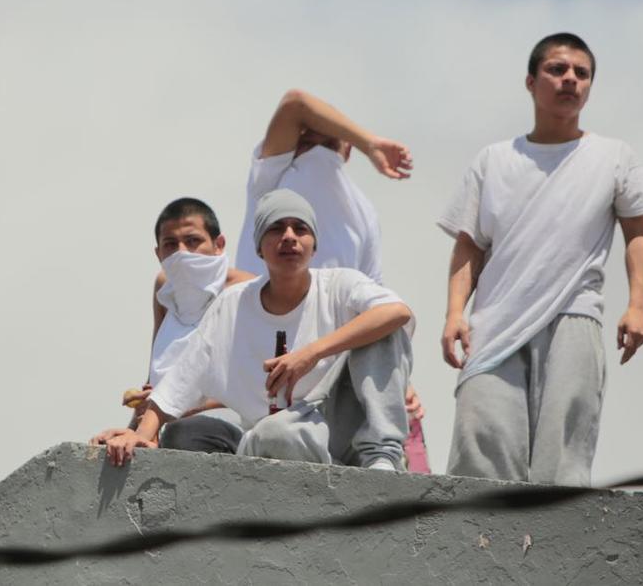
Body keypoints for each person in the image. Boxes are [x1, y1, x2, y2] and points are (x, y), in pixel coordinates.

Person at [438, 33, 643, 486]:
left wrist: (638, 306)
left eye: (582, 73)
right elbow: (469, 245)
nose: (570, 81)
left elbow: (638, 232)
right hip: (496, 323)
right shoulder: (494, 159)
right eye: (558, 70)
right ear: (530, 81)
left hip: (573, 315)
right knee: (482, 442)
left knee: (562, 461)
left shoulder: (613, 156)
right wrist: (454, 313)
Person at [103, 189, 413, 471]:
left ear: (313, 245)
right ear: (260, 248)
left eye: (300, 228)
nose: (289, 237)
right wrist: (140, 434)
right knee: (274, 432)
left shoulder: (341, 285)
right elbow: (182, 378)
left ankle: (382, 457)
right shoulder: (234, 305)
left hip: (344, 424)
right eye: (276, 228)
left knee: (383, 327)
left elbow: (397, 312)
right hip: (286, 439)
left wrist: (310, 353)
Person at [235, 89, 429, 472]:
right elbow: (295, 104)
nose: (313, 141)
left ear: (346, 152)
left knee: (385, 321)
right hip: (271, 355)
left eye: (327, 136)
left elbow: (382, 306)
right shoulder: (274, 181)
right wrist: (372, 143)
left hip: (336, 367)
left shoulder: (361, 210)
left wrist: (398, 381)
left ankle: (382, 459)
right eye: (307, 135)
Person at [91, 198, 253, 454]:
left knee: (185, 433)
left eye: (192, 241)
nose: (181, 253)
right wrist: (134, 431)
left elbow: (254, 383)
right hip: (166, 418)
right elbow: (159, 372)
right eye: (170, 244)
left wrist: (178, 407)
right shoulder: (165, 287)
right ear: (158, 253)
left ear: (218, 245)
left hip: (228, 421)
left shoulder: (247, 291)